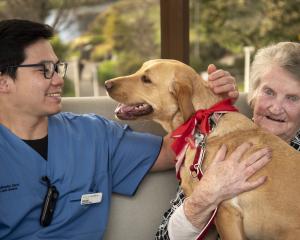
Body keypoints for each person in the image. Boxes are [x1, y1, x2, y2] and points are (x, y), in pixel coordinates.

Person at [0, 19, 270, 240]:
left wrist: (210, 103)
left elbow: (172, 147)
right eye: (44, 70)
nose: (59, 79)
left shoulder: (94, 135)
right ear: (3, 81)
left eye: (58, 67)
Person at [156, 41, 300, 240]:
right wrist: (203, 198)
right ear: (252, 95)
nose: (276, 107)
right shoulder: (214, 142)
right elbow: (163, 237)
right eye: (269, 92)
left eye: (292, 98)